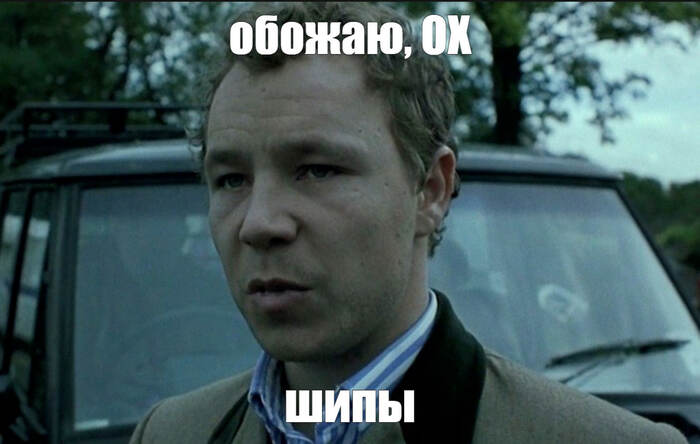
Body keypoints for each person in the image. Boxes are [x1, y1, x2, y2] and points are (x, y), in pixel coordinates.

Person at [129, 3, 686, 443]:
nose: (259, 223)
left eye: (318, 170)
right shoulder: (172, 433)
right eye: (231, 179)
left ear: (432, 191)